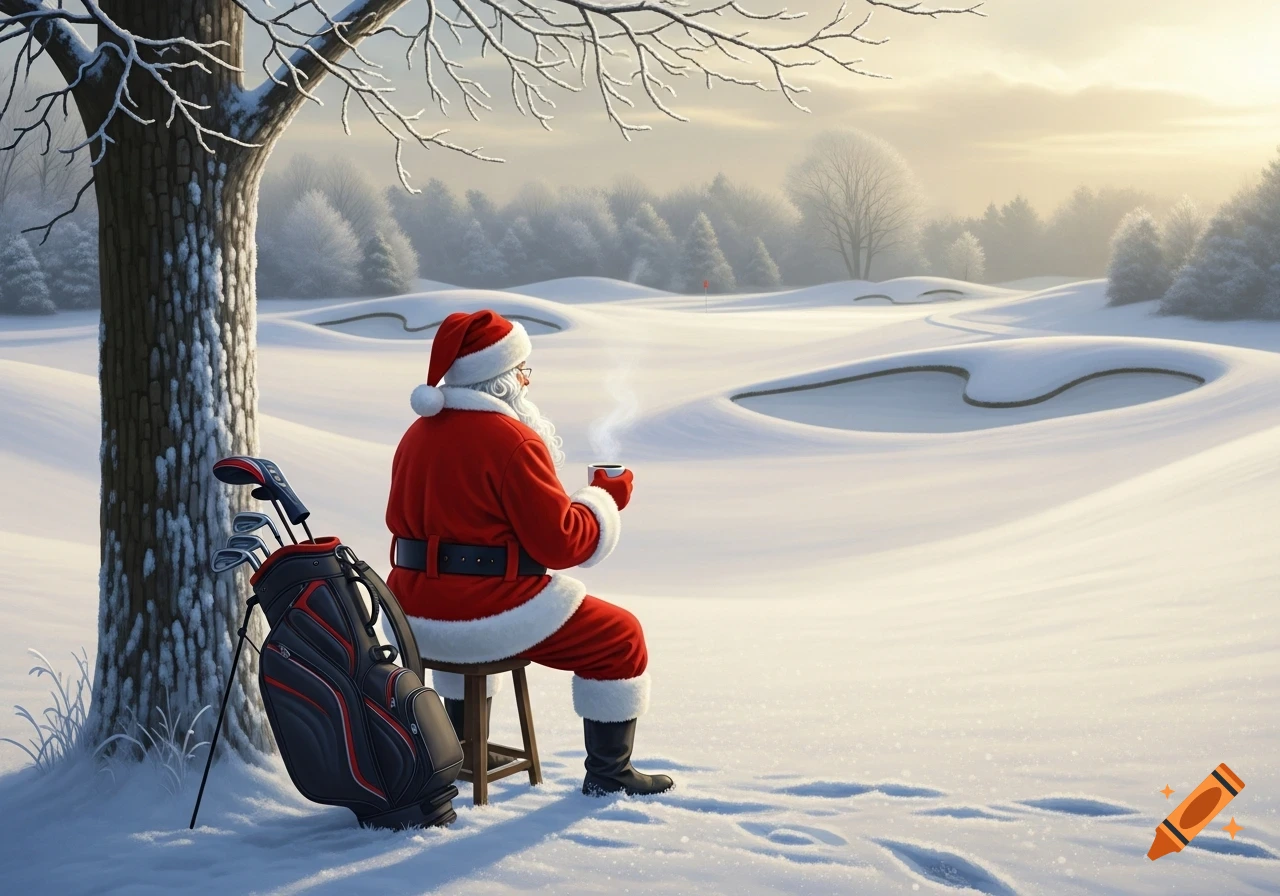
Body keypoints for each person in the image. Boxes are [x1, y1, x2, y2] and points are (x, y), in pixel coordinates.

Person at [386, 309, 673, 796]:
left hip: (414, 613)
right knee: (620, 636)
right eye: (521, 370)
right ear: (499, 379)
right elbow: (561, 545)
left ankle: (463, 743)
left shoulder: (416, 435)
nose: (526, 380)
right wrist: (605, 501)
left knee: (589, 625)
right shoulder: (512, 440)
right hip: (485, 613)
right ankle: (610, 773)